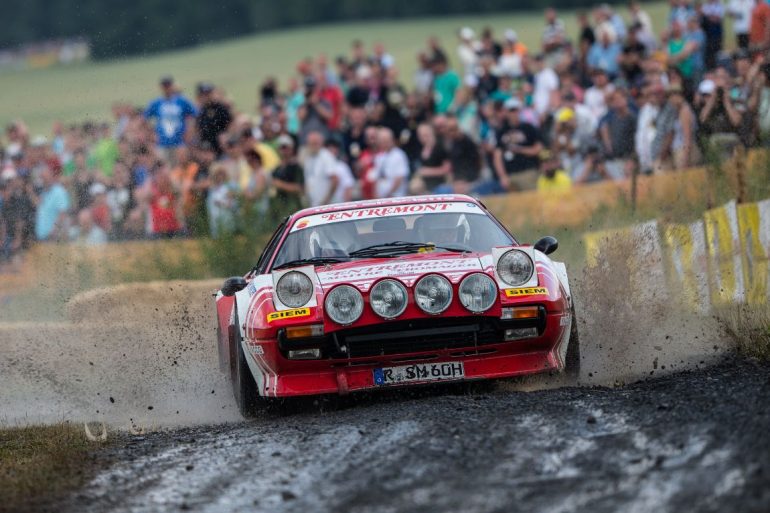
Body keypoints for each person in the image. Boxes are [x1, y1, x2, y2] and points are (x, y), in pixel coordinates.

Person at [493, 97, 543, 192]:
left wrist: (519, 150)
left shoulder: (528, 128)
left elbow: (538, 149)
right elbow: (497, 156)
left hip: (528, 172)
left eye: (515, 110)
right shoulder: (501, 131)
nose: (513, 113)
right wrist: (503, 176)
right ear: (506, 112)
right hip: (510, 174)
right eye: (511, 110)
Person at [144, 76, 197, 159]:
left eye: (168, 85)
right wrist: (152, 134)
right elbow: (144, 118)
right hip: (162, 143)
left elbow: (194, 115)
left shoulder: (182, 101)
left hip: (180, 142)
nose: (167, 88)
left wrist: (190, 131)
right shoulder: (156, 103)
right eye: (165, 86)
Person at [300, 130, 338, 206]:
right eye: (311, 143)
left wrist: (327, 200)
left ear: (321, 143)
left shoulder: (326, 156)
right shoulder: (308, 158)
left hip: (326, 205)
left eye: (315, 143)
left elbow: (335, 179)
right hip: (313, 204)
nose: (313, 146)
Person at [410, 122, 450, 194]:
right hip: (425, 185)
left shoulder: (440, 147)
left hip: (439, 183)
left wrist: (427, 171)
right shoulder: (421, 148)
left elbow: (447, 169)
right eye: (420, 135)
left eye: (425, 135)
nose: (422, 138)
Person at [195, 82, 232, 156]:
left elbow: (230, 124)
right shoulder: (200, 110)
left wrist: (226, 136)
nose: (206, 96)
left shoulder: (220, 108)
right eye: (204, 94)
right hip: (205, 147)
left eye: (208, 93)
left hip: (220, 146)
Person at [372, 127, 409, 199]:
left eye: (386, 140)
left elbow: (399, 178)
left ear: (391, 140)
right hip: (380, 199)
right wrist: (375, 195)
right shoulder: (379, 156)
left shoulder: (399, 155)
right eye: (382, 140)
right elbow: (376, 178)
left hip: (395, 197)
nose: (384, 143)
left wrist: (388, 195)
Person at [271, 135, 305, 214]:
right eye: (281, 148)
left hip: (293, 207)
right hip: (279, 208)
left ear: (291, 149)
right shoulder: (277, 168)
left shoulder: (296, 167)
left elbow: (300, 188)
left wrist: (281, 185)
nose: (283, 151)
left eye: (285, 148)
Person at [34, 166, 70, 241]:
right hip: (41, 237)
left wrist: (54, 231)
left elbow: (63, 214)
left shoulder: (60, 192)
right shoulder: (42, 194)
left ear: (52, 177)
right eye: (42, 178)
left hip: (53, 238)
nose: (44, 180)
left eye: (46, 178)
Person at [325, 139, 355, 203]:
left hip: (339, 204)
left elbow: (348, 187)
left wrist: (346, 206)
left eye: (333, 149)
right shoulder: (321, 168)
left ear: (337, 150)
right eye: (329, 149)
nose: (331, 152)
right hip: (323, 204)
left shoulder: (342, 167)